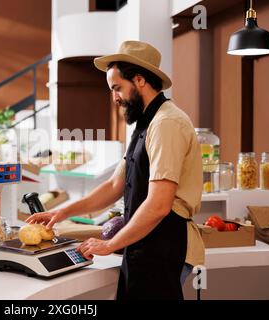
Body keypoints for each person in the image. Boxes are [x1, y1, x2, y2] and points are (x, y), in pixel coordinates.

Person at [26, 41, 205, 300]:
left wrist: (110, 244)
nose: (114, 98)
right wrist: (61, 211)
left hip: (165, 243)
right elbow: (114, 185)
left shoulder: (167, 123)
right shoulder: (146, 123)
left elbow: (159, 205)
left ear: (140, 80)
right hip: (145, 242)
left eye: (117, 88)